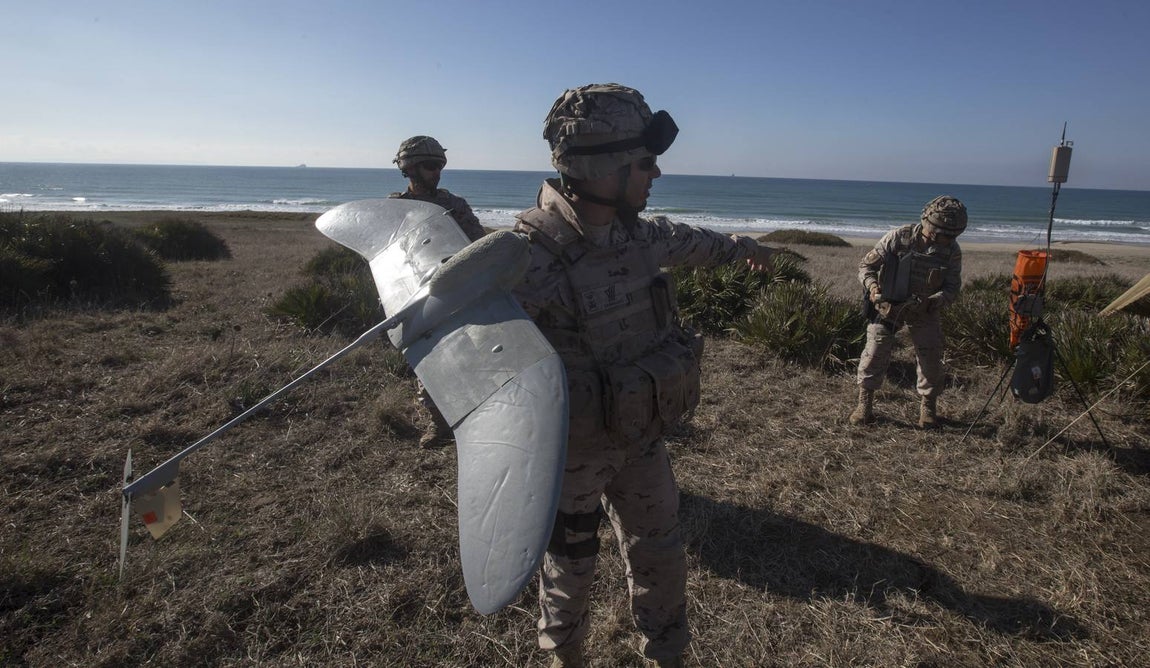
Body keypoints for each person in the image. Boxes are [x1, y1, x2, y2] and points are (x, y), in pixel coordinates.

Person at [511, 83, 777, 668]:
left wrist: (744, 248)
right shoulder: (530, 256)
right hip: (573, 452)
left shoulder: (638, 235)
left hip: (641, 438)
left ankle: (666, 655)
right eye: (644, 162)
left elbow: (697, 243)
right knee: (570, 568)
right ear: (604, 167)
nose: (655, 174)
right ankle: (565, 659)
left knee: (660, 550)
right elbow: (474, 356)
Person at [389, 135, 486, 448]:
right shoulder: (395, 209)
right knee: (427, 359)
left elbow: (477, 245)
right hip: (414, 293)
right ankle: (439, 424)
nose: (437, 172)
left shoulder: (454, 205)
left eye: (440, 165)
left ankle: (468, 418)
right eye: (430, 166)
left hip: (454, 291)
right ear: (410, 169)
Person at [850, 195, 967, 428]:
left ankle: (928, 407)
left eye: (951, 235)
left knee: (931, 357)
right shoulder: (899, 238)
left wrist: (935, 301)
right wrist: (873, 288)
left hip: (924, 309)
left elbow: (952, 287)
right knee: (875, 351)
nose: (946, 239)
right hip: (888, 306)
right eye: (942, 233)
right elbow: (866, 266)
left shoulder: (951, 251)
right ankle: (865, 404)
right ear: (929, 225)